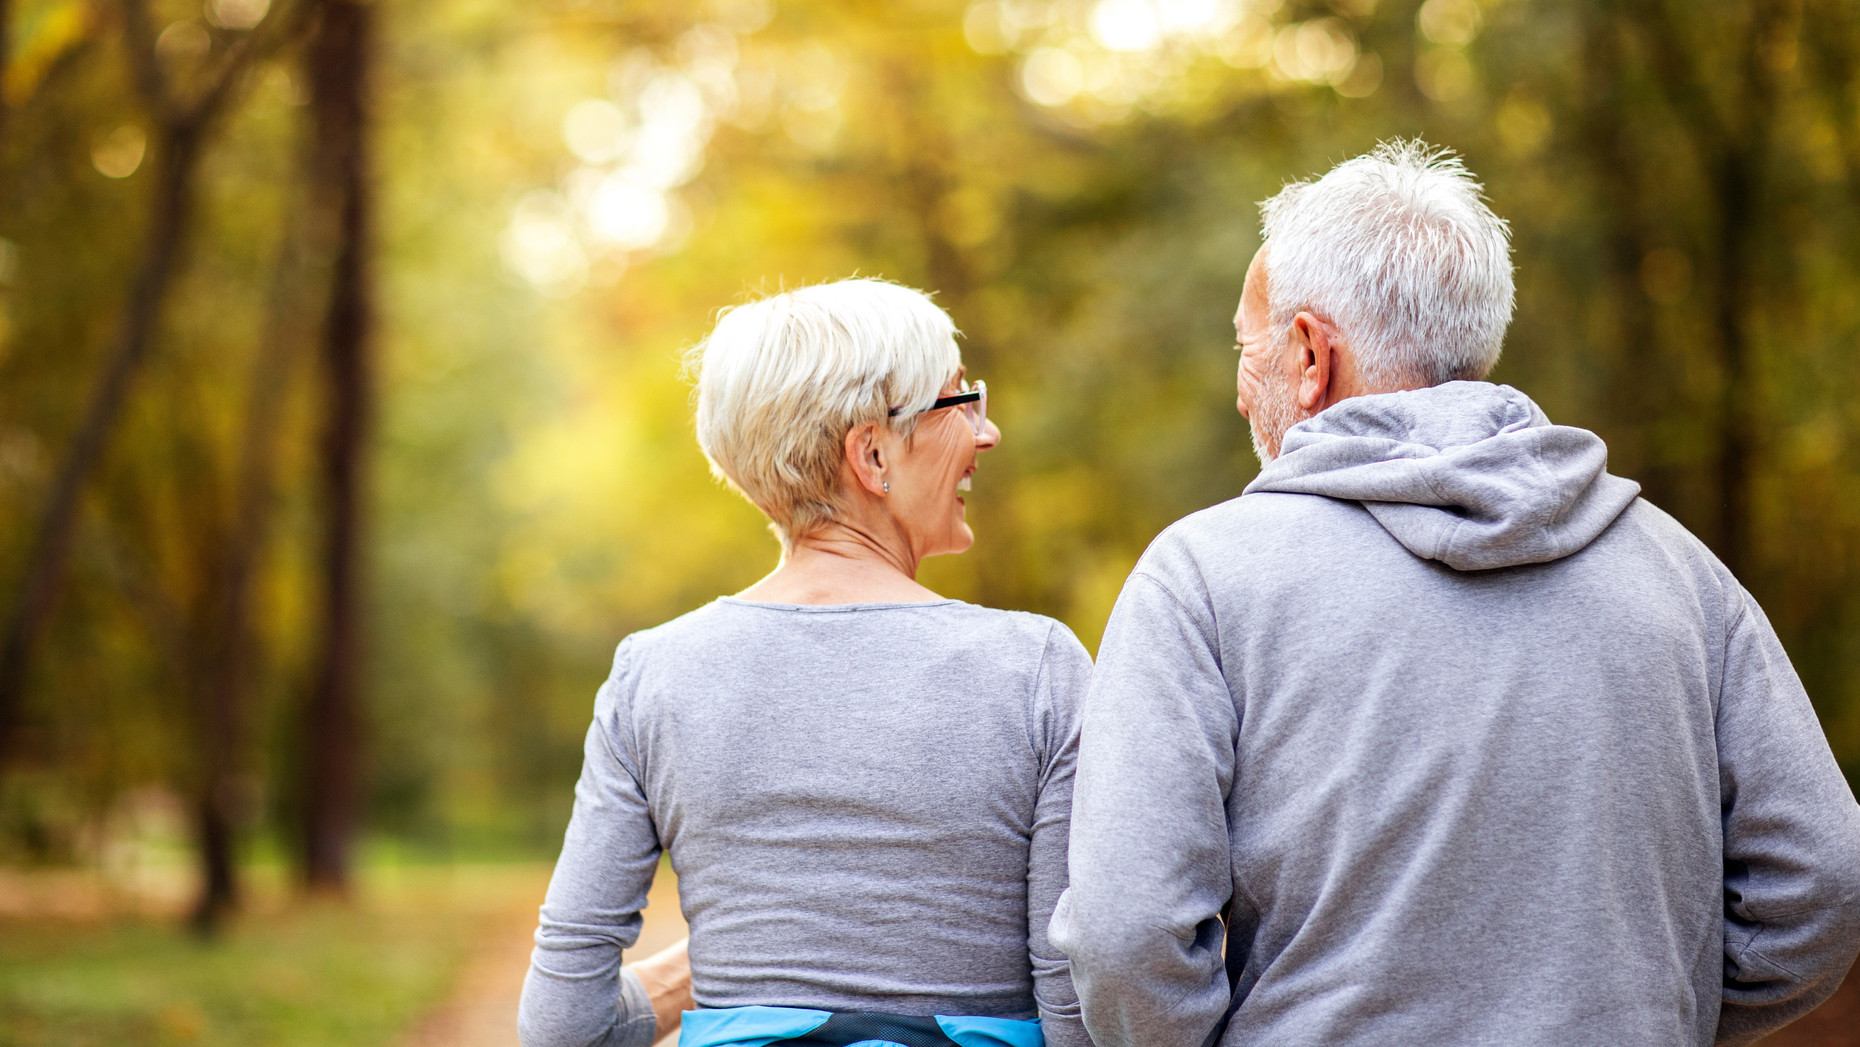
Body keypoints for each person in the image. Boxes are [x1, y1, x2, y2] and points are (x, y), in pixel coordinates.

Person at [1050, 140, 1860, 1047]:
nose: (1244, 396)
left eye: (1248, 349)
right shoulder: (1679, 569)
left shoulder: (1200, 577)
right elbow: (1824, 879)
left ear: (1312, 355)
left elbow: (1126, 934)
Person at [518, 278, 1091, 1047]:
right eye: (962, 403)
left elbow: (562, 1027)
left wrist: (745, 978)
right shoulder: (1037, 668)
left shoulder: (654, 675)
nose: (986, 434)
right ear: (874, 452)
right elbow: (1081, 1007)